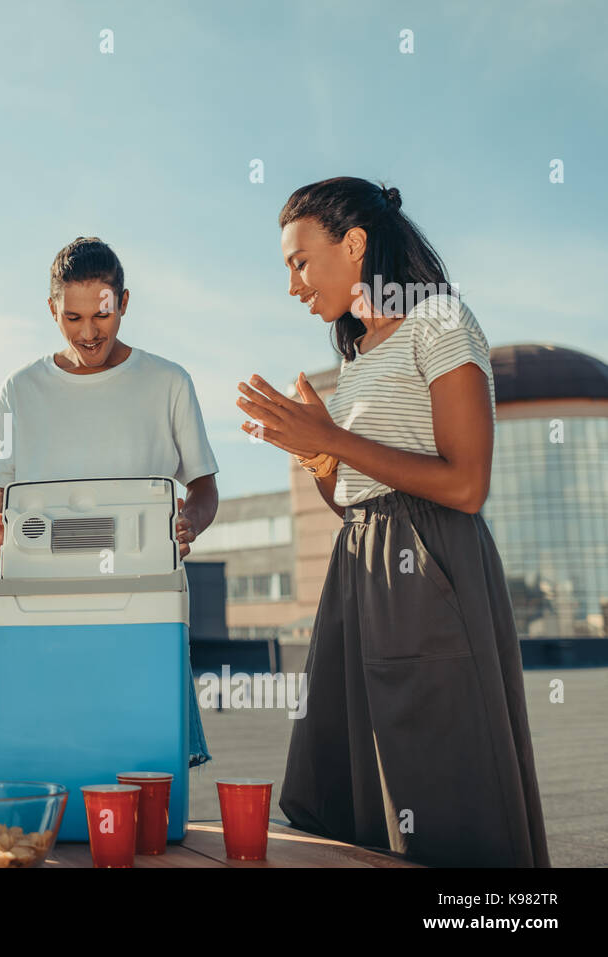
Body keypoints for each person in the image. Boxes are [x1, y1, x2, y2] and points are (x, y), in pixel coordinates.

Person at [237, 176, 549, 867]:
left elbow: (466, 484)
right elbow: (354, 498)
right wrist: (317, 451)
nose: (292, 284)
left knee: (445, 783)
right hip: (361, 567)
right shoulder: (360, 353)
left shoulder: (439, 322)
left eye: (298, 260)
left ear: (353, 244)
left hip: (430, 566)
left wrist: (335, 438)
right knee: (345, 784)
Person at [0, 236, 220, 768]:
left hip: (145, 601)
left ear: (123, 303)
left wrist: (189, 522)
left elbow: (203, 486)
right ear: (52, 310)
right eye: (72, 317)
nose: (88, 333)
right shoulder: (19, 389)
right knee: (54, 750)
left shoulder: (169, 382)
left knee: (144, 758)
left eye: (102, 314)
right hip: (42, 604)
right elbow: (0, 494)